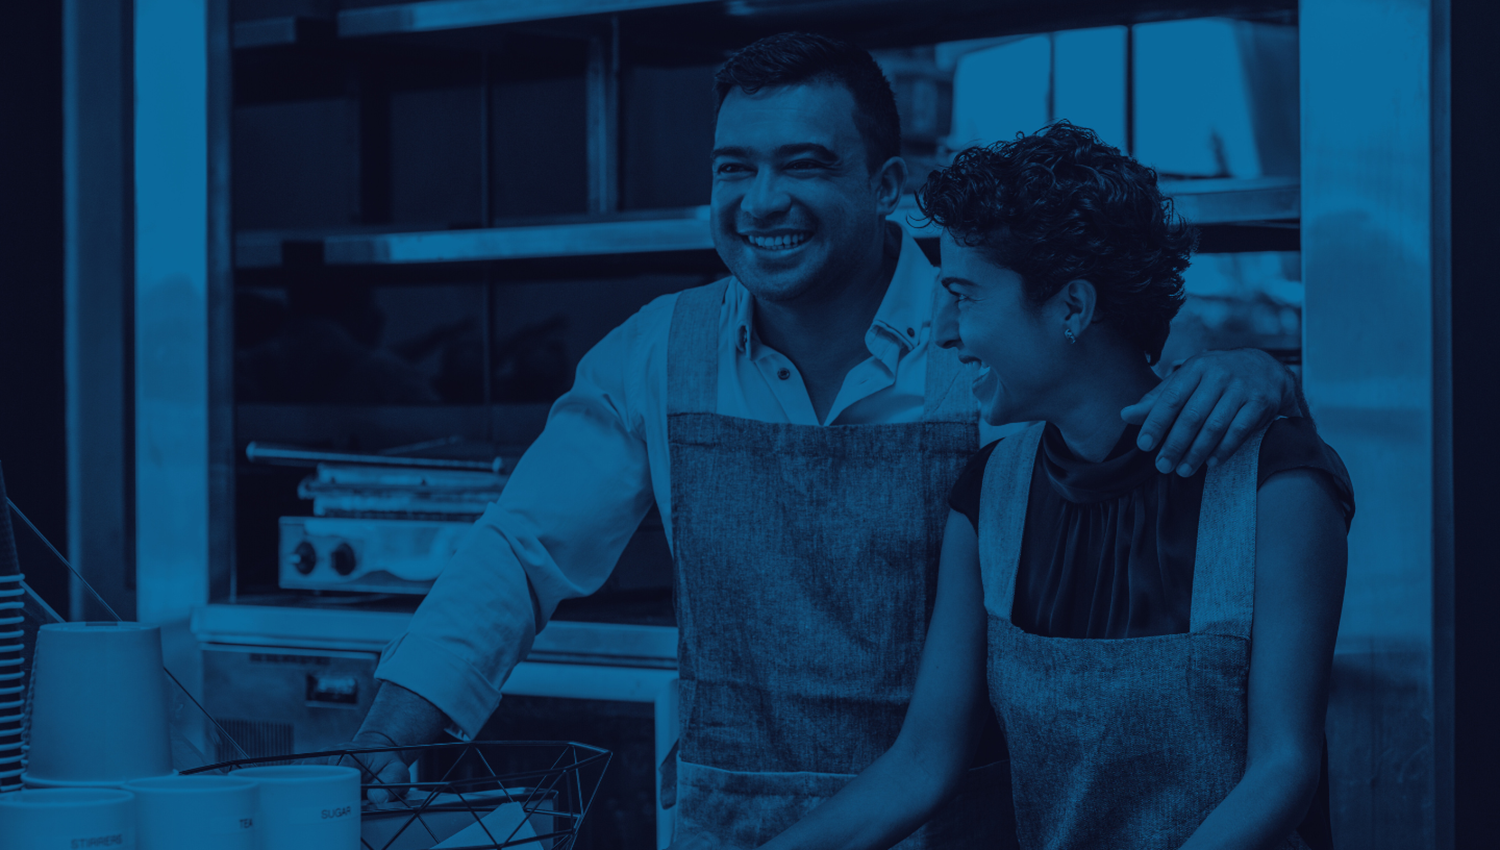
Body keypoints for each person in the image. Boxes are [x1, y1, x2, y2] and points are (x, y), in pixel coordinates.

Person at [332, 34, 1307, 847]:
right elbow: (520, 550)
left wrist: (1253, 368)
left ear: (886, 185)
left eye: (804, 164)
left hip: (956, 826)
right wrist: (390, 735)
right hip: (730, 827)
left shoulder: (982, 347)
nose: (761, 201)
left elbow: (1127, 373)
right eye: (734, 167)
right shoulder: (658, 353)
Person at [748, 124, 1354, 850]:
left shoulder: (1275, 483)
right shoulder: (990, 492)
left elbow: (1283, 769)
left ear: (1072, 308)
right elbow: (920, 764)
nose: (943, 332)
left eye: (964, 296)